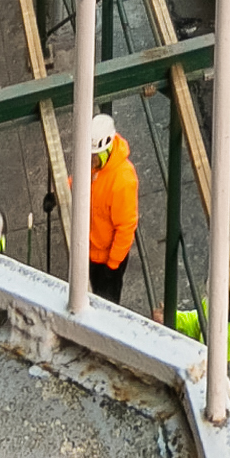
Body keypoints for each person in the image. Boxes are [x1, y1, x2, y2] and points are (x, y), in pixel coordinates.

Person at [81, 110, 144, 311]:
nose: (89, 161)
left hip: (107, 261)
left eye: (93, 157)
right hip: (90, 251)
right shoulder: (97, 165)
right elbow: (82, 183)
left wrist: (113, 265)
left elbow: (126, 228)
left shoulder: (123, 181)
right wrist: (61, 191)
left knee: (105, 308)